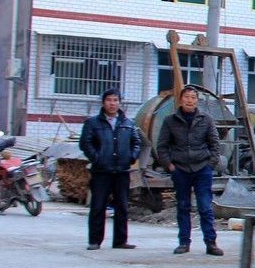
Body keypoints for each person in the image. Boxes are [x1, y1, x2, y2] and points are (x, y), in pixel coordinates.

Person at [156, 85, 223, 256]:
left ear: (197, 100)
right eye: (187, 97)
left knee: (205, 207)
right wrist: (170, 166)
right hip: (181, 169)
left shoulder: (206, 119)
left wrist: (210, 164)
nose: (190, 101)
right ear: (181, 99)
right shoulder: (170, 120)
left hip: (202, 169)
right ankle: (184, 242)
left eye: (193, 98)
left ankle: (211, 243)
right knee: (183, 206)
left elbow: (215, 144)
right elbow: (162, 146)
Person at [78, 89, 142, 250]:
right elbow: (85, 143)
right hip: (101, 171)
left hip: (122, 171)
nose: (112, 103)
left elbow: (137, 142)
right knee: (98, 206)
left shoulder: (128, 123)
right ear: (103, 103)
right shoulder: (93, 123)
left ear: (120, 103)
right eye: (109, 100)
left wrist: (131, 157)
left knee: (122, 206)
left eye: (115, 100)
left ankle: (120, 241)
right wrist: (97, 157)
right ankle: (94, 241)